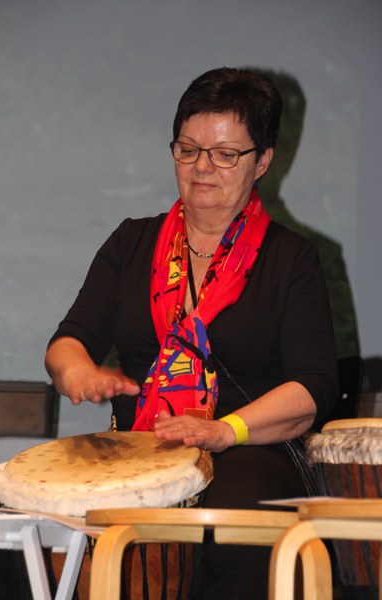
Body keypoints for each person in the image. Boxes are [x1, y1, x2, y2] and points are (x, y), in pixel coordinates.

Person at [45, 67, 338, 599]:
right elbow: (69, 341)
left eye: (225, 154)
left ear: (262, 162)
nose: (202, 167)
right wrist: (78, 371)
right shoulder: (131, 243)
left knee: (237, 525)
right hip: (138, 447)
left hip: (249, 448)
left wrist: (225, 430)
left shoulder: (291, 258)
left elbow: (312, 388)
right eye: (188, 149)